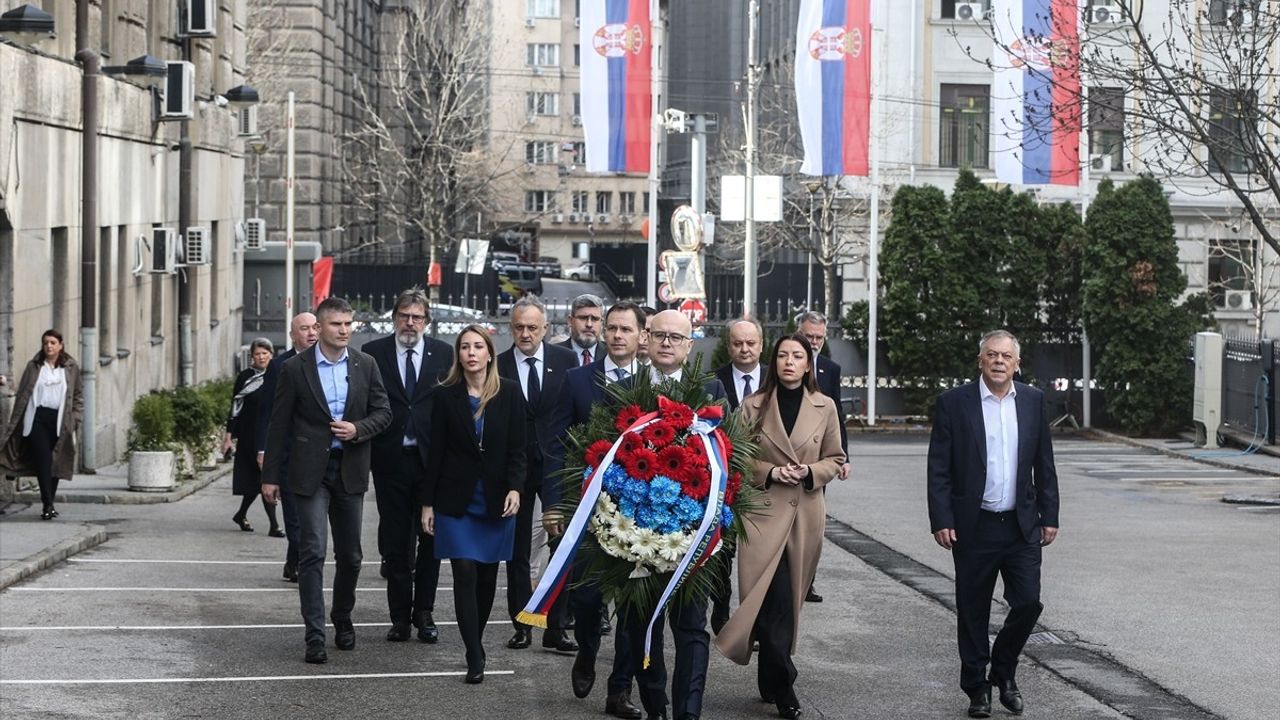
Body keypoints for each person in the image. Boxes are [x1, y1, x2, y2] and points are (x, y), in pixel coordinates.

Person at [927, 330, 1059, 719]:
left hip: (1021, 526)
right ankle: (976, 689)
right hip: (974, 526)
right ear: (980, 361)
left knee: (1028, 602)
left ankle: (1003, 668)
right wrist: (942, 518)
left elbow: (1044, 464)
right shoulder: (955, 403)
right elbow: (939, 468)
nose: (999, 361)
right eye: (991, 355)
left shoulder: (1033, 401)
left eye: (1006, 356)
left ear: (1017, 364)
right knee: (973, 611)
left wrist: (1050, 516)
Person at [715, 334, 846, 720]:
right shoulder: (753, 406)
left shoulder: (825, 407)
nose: (790, 362)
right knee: (768, 600)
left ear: (809, 365)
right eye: (783, 355)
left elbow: (835, 458)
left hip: (805, 514)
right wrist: (771, 471)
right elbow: (735, 457)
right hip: (762, 514)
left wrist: (809, 471)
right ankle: (784, 682)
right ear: (774, 363)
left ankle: (771, 674)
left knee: (787, 599)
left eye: (798, 356)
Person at [262, 297, 392, 664]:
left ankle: (342, 616)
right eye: (337, 324)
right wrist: (270, 476)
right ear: (319, 328)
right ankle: (314, 634)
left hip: (349, 469)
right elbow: (279, 424)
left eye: (349, 324)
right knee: (312, 551)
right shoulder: (294, 368)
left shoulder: (365, 365)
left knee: (351, 556)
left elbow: (384, 412)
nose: (345, 330)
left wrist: (358, 428)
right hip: (308, 473)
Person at [623, 309, 726, 720]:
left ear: (689, 344)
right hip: (634, 533)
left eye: (676, 337)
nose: (666, 343)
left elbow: (727, 455)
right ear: (645, 340)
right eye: (659, 335)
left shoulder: (710, 390)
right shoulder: (626, 389)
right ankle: (656, 708)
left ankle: (688, 711)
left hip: (693, 532)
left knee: (691, 628)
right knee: (639, 626)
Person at [547, 300, 648, 720]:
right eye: (613, 328)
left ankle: (619, 689)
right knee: (587, 599)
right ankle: (586, 650)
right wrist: (554, 502)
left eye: (627, 329)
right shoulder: (576, 380)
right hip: (588, 511)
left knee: (632, 606)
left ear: (641, 335)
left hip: (642, 516)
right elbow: (554, 445)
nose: (618, 335)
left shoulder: (653, 382)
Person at [421, 325, 526, 684]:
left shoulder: (509, 393)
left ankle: (476, 639)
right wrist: (427, 503)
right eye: (464, 347)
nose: (471, 352)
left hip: (496, 499)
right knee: (464, 570)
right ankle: (474, 652)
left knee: (485, 576)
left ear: (489, 353)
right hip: (456, 500)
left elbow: (518, 448)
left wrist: (516, 487)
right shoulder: (445, 396)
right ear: (458, 355)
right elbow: (434, 453)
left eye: (477, 346)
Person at [362, 287, 452, 644]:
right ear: (394, 318)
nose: (410, 323)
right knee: (397, 543)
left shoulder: (444, 354)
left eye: (417, 317)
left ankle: (424, 613)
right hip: (391, 461)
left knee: (431, 541)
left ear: (427, 321)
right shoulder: (373, 353)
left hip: (433, 463)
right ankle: (399, 616)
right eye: (404, 316)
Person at [496, 296, 579, 653]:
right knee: (516, 550)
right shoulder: (496, 365)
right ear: (510, 328)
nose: (525, 333)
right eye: (519, 327)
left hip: (557, 466)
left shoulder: (566, 360)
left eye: (532, 327)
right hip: (514, 469)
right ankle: (522, 624)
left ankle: (557, 627)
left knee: (563, 546)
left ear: (546, 328)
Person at [710, 316, 767, 633]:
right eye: (737, 343)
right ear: (728, 346)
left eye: (750, 343)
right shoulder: (711, 381)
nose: (744, 349)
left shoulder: (778, 379)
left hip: (766, 483)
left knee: (759, 555)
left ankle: (757, 619)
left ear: (761, 344)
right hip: (727, 480)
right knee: (723, 553)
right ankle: (720, 614)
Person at [255, 312, 317, 582]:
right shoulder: (279, 366)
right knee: (294, 517)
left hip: (317, 455)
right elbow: (268, 412)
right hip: (289, 454)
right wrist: (263, 450)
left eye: (316, 327)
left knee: (310, 519)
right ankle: (301, 563)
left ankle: (294, 561)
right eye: (305, 329)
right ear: (293, 335)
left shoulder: (330, 362)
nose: (312, 333)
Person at [0, 330, 83, 520]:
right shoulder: (34, 366)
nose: (49, 346)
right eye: (46, 343)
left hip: (60, 420)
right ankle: (48, 504)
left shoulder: (70, 367)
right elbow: (22, 393)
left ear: (61, 345)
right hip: (36, 418)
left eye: (53, 343)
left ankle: (49, 503)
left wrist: (75, 419)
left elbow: (78, 396)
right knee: (43, 461)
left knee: (55, 462)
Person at [796, 311, 849, 603]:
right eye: (808, 336)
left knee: (814, 523)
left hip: (818, 461)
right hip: (787, 454)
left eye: (818, 337)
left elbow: (838, 415)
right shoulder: (783, 364)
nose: (813, 342)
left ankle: (807, 583)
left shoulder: (831, 369)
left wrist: (844, 457)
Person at [223, 338, 280, 535]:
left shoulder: (277, 375)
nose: (262, 357)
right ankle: (274, 525)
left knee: (264, 478)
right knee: (256, 480)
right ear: (252, 357)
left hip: (269, 435)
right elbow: (235, 406)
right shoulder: (245, 377)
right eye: (258, 354)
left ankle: (243, 515)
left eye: (265, 353)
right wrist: (228, 436)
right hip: (248, 436)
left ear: (271, 355)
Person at [559, 293, 605, 366]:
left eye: (594, 319)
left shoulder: (612, 354)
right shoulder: (554, 354)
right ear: (570, 321)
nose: (589, 324)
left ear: (601, 323)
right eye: (583, 318)